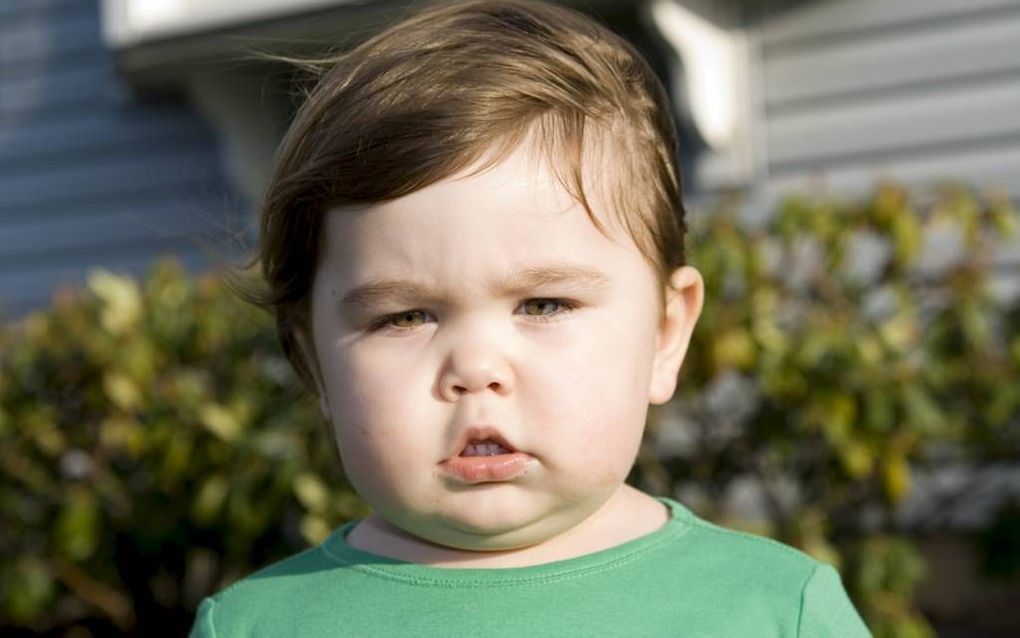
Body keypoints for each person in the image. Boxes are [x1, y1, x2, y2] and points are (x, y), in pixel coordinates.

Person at [191, 0, 871, 635]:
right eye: (406, 317)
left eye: (543, 304)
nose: (476, 367)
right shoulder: (258, 624)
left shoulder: (776, 608)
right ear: (313, 362)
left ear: (665, 335)